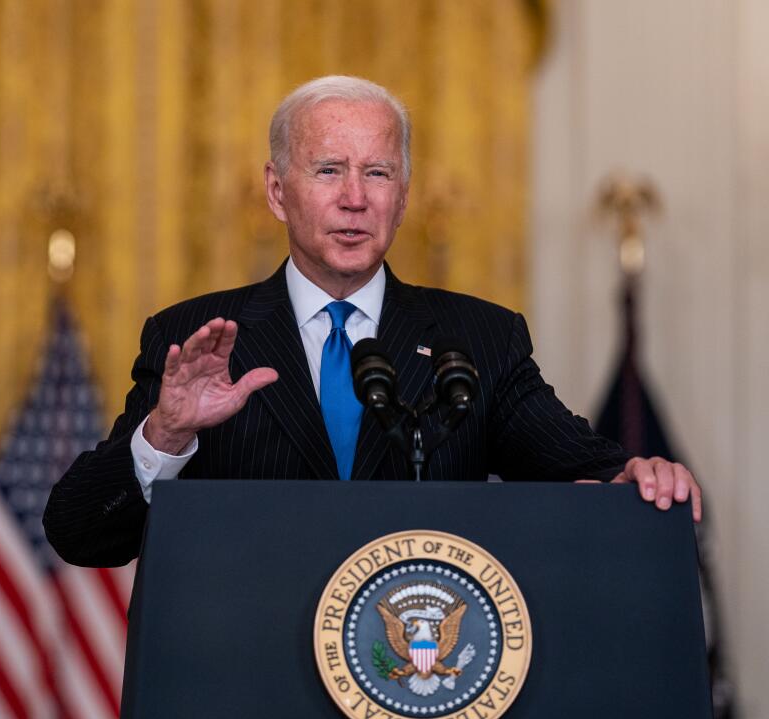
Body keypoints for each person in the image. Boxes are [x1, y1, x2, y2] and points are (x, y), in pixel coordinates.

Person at [43, 75, 701, 568]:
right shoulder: (195, 339)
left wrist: (635, 477)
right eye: (328, 170)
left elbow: (584, 465)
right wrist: (166, 433)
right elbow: (78, 532)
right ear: (277, 190)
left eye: (378, 173)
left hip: (420, 692)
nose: (355, 199)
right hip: (250, 705)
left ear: (403, 194)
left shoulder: (478, 340)